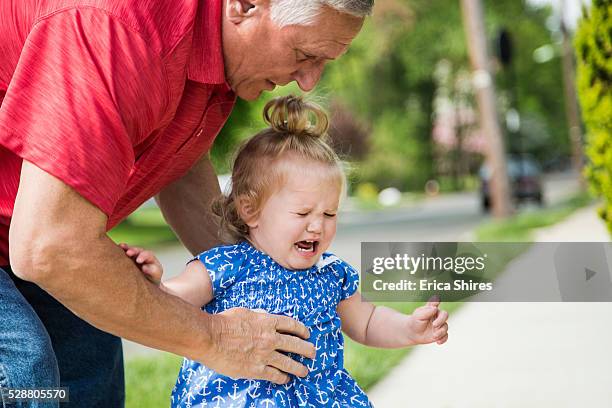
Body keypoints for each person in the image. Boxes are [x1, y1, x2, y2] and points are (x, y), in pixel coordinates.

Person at [0, 0, 372, 406]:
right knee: (24, 370)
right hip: (37, 237)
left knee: (90, 369)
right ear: (246, 5)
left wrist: (262, 277)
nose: (307, 81)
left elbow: (178, 161)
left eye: (324, 61)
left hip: (25, 234)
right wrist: (214, 338)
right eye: (304, 55)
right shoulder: (121, 29)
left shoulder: (220, 57)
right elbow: (48, 246)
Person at [121, 95, 450, 407]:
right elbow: (174, 301)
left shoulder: (331, 274)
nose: (317, 226)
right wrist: (156, 282)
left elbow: (367, 322)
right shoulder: (225, 265)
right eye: (303, 213)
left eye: (329, 214)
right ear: (251, 210)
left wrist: (409, 328)